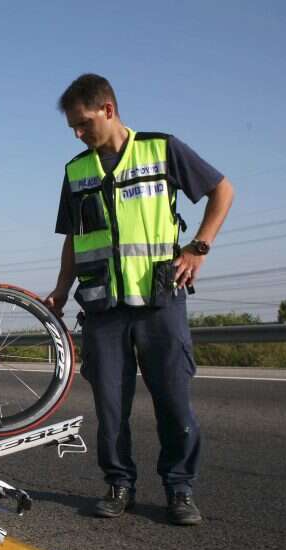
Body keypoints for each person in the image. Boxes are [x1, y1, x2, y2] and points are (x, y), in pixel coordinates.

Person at [45, 74, 234, 526]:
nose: (77, 133)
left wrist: (199, 248)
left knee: (173, 401)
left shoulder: (161, 149)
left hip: (159, 299)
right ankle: (118, 484)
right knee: (111, 406)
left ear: (108, 109)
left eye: (83, 123)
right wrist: (61, 288)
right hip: (102, 307)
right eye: (72, 127)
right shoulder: (76, 170)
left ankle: (179, 488)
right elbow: (74, 238)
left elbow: (222, 190)